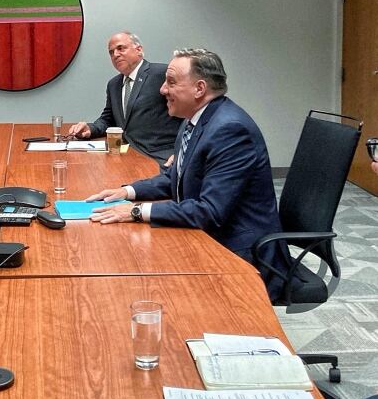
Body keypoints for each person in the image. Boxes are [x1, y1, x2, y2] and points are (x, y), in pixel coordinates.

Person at [87, 48, 290, 300]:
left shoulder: (230, 130)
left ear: (199, 89)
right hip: (209, 237)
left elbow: (210, 211)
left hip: (240, 254)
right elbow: (178, 177)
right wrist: (128, 192)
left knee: (143, 286)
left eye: (171, 82)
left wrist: (137, 211)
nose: (162, 90)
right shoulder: (194, 119)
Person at [67, 32, 181, 164]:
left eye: (121, 48)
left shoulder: (161, 74)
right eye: (111, 52)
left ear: (139, 50)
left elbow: (188, 112)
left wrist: (181, 152)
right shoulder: (114, 84)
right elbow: (108, 119)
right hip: (127, 154)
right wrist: (90, 129)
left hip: (160, 157)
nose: (115, 54)